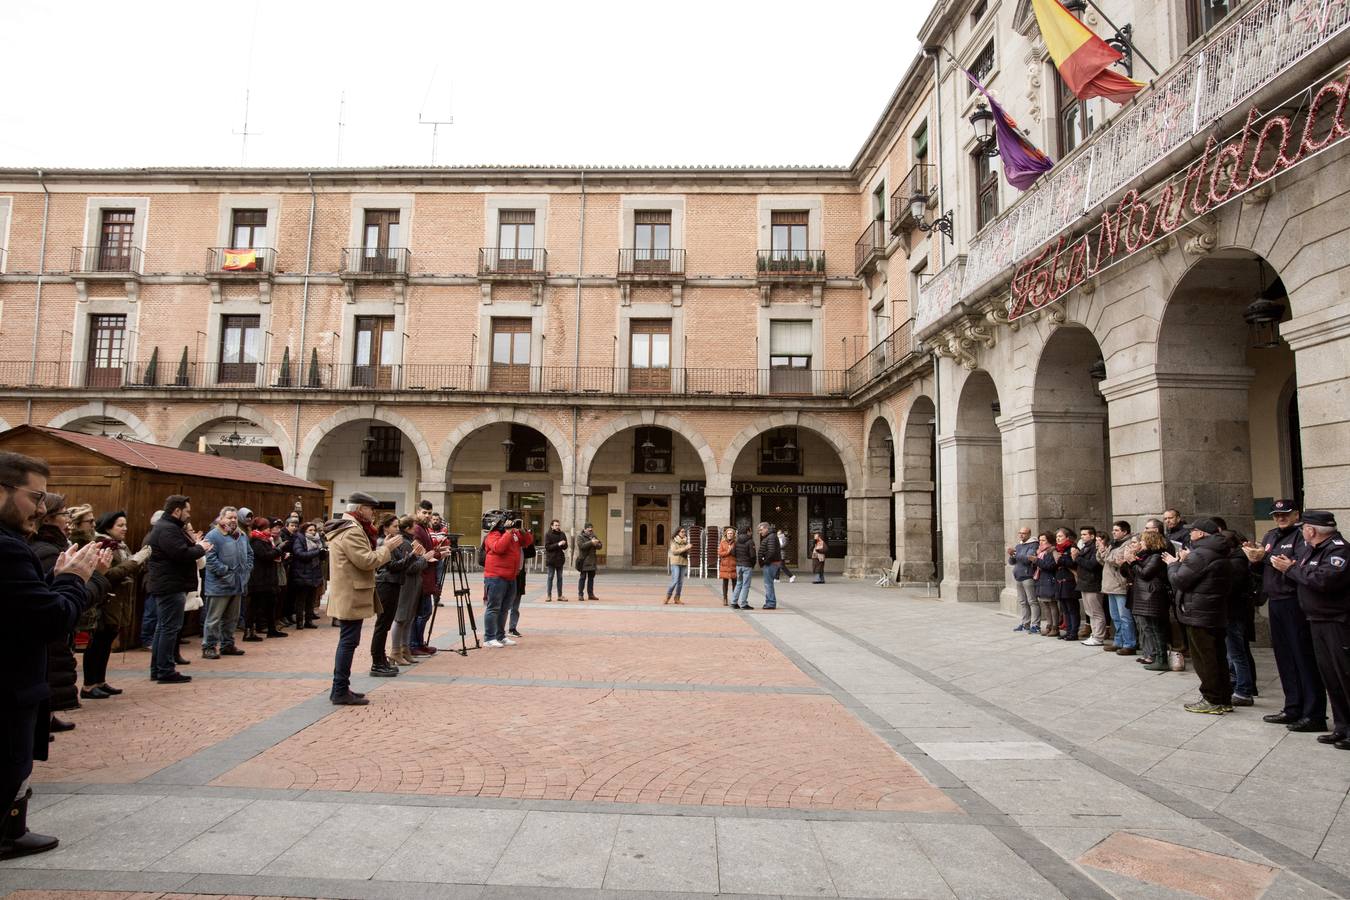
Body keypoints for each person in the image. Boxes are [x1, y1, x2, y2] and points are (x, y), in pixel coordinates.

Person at [0, 451, 104, 861]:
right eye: (35, 497)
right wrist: (76, 580)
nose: (43, 510)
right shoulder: (8, 550)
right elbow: (49, 620)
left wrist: (55, 580)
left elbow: (17, 606)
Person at [1243, 500, 1327, 731]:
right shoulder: (1270, 536)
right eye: (1276, 514)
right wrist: (1255, 561)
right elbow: (1262, 570)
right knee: (1285, 658)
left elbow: (1302, 566)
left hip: (1295, 601)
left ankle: (1313, 712)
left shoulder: (1302, 536)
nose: (1280, 518)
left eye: (1285, 514)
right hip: (1276, 600)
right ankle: (1292, 707)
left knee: (1303, 657)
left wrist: (1287, 566)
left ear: (1296, 514)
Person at [1271, 510, 1350, 747]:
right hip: (1316, 619)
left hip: (1337, 621)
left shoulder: (1339, 550)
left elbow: (1324, 580)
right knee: (1331, 677)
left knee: (1344, 675)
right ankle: (1342, 726)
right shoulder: (1312, 550)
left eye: (1305, 527)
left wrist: (1291, 570)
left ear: (1311, 530)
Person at [324, 491, 400, 704]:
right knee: (348, 641)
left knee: (348, 641)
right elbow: (366, 561)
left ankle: (341, 687)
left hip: (349, 591)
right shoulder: (352, 531)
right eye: (369, 509)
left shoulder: (350, 527)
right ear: (359, 509)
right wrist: (387, 548)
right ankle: (340, 690)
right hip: (351, 592)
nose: (372, 513)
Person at [1165, 518, 1232, 714]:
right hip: (1214, 610)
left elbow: (1179, 580)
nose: (1190, 534)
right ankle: (1223, 698)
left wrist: (1173, 565)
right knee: (1217, 656)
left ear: (1201, 533)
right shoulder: (1219, 551)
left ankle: (1211, 699)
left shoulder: (1200, 555)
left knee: (1205, 658)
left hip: (1199, 611)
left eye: (1192, 531)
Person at [82, 510, 151, 694]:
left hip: (118, 601)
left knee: (106, 644)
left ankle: (100, 681)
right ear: (108, 526)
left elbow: (127, 569)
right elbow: (109, 575)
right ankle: (89, 685)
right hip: (104, 602)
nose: (124, 529)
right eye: (120, 525)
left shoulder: (120, 546)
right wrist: (135, 561)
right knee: (96, 644)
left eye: (125, 525)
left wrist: (138, 562)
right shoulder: (102, 544)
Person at [145, 495, 210, 685]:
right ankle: (165, 670)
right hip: (170, 585)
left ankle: (158, 669)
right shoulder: (168, 529)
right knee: (169, 628)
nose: (189, 515)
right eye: (187, 511)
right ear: (177, 510)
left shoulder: (169, 527)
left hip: (169, 583)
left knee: (163, 627)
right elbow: (180, 553)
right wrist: (201, 548)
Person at [30, 498, 81, 723]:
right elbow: (56, 602)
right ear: (48, 518)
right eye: (64, 515)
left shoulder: (55, 546)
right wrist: (93, 578)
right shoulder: (49, 551)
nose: (68, 521)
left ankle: (47, 717)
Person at [372, 514, 423, 675]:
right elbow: (393, 566)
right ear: (385, 527)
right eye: (394, 526)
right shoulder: (384, 543)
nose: (397, 529)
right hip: (386, 584)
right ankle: (378, 661)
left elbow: (400, 564)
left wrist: (412, 556)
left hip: (393, 583)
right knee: (382, 625)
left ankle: (382, 659)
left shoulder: (393, 543)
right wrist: (414, 556)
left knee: (385, 624)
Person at [202, 506, 252, 659]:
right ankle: (209, 647)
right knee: (214, 619)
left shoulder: (241, 535)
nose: (233, 520)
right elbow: (210, 559)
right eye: (229, 517)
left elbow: (250, 553)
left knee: (232, 618)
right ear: (221, 518)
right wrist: (226, 572)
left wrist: (247, 570)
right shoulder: (213, 535)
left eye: (235, 517)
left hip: (237, 583)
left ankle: (227, 644)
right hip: (219, 585)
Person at [1220, 528, 1258, 707]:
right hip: (1231, 611)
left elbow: (1230, 588)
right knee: (1232, 653)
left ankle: (1244, 690)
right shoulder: (1233, 560)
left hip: (1234, 612)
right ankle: (1235, 684)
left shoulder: (1236, 563)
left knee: (1237, 653)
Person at [483, 512, 532, 647]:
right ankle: (489, 638)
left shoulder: (513, 534)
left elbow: (527, 542)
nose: (509, 523)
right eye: (506, 521)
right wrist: (508, 533)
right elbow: (499, 548)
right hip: (495, 577)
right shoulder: (492, 535)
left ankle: (500, 636)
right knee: (493, 608)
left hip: (511, 576)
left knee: (505, 608)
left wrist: (523, 531)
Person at [386, 516, 428, 668]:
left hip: (413, 584)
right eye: (414, 527)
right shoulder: (405, 543)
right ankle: (396, 651)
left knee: (409, 618)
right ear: (409, 528)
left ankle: (404, 649)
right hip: (407, 584)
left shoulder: (409, 541)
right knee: (401, 617)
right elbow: (409, 566)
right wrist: (424, 559)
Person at [1100, 521, 1137, 655]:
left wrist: (1108, 555)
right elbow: (1105, 560)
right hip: (1110, 585)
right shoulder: (1114, 543)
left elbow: (1119, 560)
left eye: (1116, 530)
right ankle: (1118, 641)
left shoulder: (1129, 543)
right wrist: (1102, 552)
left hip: (1120, 585)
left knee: (1125, 617)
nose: (1113, 532)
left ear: (1125, 532)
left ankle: (1130, 643)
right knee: (1115, 616)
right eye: (1113, 530)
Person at [246, 517, 285, 640]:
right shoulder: (256, 541)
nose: (269, 530)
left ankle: (271, 629)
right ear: (260, 529)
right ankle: (249, 631)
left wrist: (278, 551)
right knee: (254, 606)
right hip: (259, 579)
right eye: (267, 528)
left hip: (268, 578)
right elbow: (265, 556)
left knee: (271, 604)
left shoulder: (267, 540)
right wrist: (279, 549)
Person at [1071, 526, 1107, 646]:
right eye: (1081, 534)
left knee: (1096, 611)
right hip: (1084, 582)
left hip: (1093, 583)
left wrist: (1077, 557)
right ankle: (1094, 633)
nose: (1082, 537)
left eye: (1085, 534)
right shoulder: (1084, 547)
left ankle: (1099, 636)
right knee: (1089, 611)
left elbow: (1092, 565)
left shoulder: (1094, 547)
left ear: (1092, 536)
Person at [288, 520, 324, 629]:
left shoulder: (318, 540)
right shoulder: (300, 539)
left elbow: (320, 557)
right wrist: (317, 552)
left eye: (314, 530)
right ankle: (299, 622)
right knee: (301, 599)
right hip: (302, 573)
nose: (313, 532)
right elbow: (300, 554)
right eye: (310, 530)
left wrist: (323, 553)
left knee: (311, 599)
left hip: (314, 572)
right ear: (304, 530)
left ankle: (309, 621)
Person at [1007, 526, 1039, 633]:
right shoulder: (1019, 545)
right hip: (1019, 576)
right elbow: (1012, 562)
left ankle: (1035, 625)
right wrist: (1012, 556)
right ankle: (1025, 623)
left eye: (1024, 533)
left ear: (1029, 534)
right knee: (1022, 602)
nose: (1021, 535)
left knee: (1032, 601)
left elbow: (1028, 559)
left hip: (1028, 576)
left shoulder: (1033, 544)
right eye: (1020, 533)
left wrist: (1015, 554)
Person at [1032, 532, 1059, 637]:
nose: (1041, 542)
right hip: (1041, 580)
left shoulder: (1051, 550)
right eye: (1040, 540)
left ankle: (1055, 627)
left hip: (1049, 580)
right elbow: (1037, 567)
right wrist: (1034, 560)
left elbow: (1050, 566)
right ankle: (1049, 625)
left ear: (1049, 540)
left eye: (1043, 540)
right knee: (1045, 604)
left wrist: (1037, 560)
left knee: (1052, 604)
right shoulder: (1040, 551)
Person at [757, 522, 782, 610]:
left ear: (766, 528)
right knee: (768, 583)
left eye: (761, 530)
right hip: (771, 563)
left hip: (771, 563)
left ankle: (770, 603)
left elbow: (771, 551)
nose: (760, 532)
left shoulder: (771, 537)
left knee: (768, 584)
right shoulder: (770, 536)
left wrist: (765, 561)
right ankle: (770, 602)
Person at [543, 519, 568, 602]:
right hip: (551, 559)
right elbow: (547, 547)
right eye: (556, 525)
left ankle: (560, 595)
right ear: (552, 526)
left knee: (560, 578)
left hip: (560, 559)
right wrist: (558, 544)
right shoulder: (548, 534)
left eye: (558, 525)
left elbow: (565, 547)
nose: (557, 527)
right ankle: (548, 595)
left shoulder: (562, 534)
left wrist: (564, 544)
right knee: (550, 577)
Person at [732, 525, 755, 610]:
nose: (751, 532)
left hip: (738, 565)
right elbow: (753, 555)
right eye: (750, 530)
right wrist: (752, 564)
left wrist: (738, 559)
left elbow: (733, 553)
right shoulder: (750, 541)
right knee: (746, 585)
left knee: (739, 583)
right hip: (747, 565)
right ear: (747, 531)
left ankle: (734, 602)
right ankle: (743, 603)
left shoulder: (737, 541)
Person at [576, 523, 602, 601]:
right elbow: (581, 546)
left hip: (592, 561)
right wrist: (591, 542)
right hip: (584, 560)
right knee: (582, 578)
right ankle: (580, 594)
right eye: (588, 528)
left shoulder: (594, 536)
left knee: (591, 579)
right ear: (584, 529)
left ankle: (590, 594)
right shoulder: (580, 537)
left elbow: (600, 546)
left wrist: (597, 543)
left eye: (591, 528)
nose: (590, 530)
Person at [666, 527, 691, 605]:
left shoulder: (686, 541)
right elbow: (674, 552)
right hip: (675, 562)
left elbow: (687, 552)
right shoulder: (674, 541)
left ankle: (677, 598)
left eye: (684, 532)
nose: (684, 533)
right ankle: (668, 596)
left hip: (683, 562)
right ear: (678, 533)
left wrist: (688, 549)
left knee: (680, 582)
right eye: (682, 532)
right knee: (675, 581)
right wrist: (685, 548)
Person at [717, 527, 737, 605]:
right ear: (726, 534)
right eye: (728, 533)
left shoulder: (736, 543)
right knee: (725, 583)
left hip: (733, 564)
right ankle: (725, 598)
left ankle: (734, 599)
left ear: (733, 535)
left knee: (735, 583)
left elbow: (737, 553)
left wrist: (732, 552)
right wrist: (728, 552)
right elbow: (720, 553)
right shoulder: (722, 543)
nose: (730, 535)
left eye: (731, 533)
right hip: (725, 565)